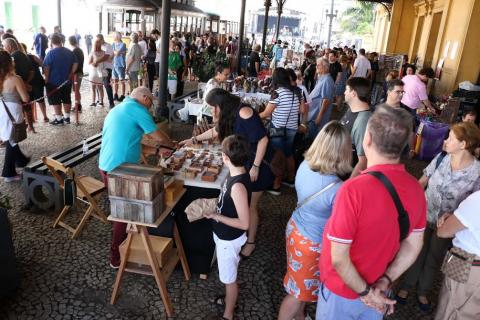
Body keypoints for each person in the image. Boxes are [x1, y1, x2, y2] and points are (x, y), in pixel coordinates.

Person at [317, 105, 427, 320]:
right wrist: (385, 281)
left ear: (367, 139)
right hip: (380, 290)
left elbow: (339, 258)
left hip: (343, 291)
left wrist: (366, 294)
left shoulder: (353, 190)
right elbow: (414, 245)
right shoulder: (416, 188)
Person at [179, 88, 274, 259]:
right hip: (242, 163)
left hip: (256, 165)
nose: (211, 111)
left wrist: (256, 166)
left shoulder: (244, 112)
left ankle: (250, 242)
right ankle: (238, 231)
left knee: (251, 206)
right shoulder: (228, 113)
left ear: (220, 105)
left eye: (212, 107)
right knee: (242, 202)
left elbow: (263, 139)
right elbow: (216, 131)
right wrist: (193, 140)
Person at [396, 122, 480, 312]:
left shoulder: (477, 172)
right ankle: (406, 286)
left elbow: (474, 204)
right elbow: (423, 180)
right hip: (424, 215)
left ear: (463, 144)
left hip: (448, 225)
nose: (445, 141)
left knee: (435, 257)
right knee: (415, 250)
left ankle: (423, 291)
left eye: (450, 138)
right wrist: (411, 202)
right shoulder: (441, 157)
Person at [278, 121, 352, 320]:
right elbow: (340, 223)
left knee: (299, 286)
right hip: (312, 243)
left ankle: (300, 316)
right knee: (296, 294)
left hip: (295, 229)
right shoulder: (336, 188)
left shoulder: (304, 165)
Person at [98, 87, 174, 268]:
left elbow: (132, 143)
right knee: (124, 214)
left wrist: (156, 151)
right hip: (117, 169)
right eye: (151, 103)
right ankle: (116, 257)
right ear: (145, 99)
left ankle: (136, 246)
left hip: (108, 166)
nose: (150, 107)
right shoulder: (137, 110)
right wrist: (172, 146)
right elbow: (158, 136)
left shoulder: (121, 107)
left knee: (128, 210)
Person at [203, 135, 251, 320]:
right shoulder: (236, 173)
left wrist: (216, 216)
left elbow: (244, 223)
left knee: (229, 280)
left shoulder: (237, 186)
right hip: (225, 236)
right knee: (229, 271)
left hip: (229, 239)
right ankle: (230, 301)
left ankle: (228, 313)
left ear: (225, 158)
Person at [435, 190, 480, 320]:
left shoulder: (477, 199)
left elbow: (443, 232)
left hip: (468, 267)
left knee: (451, 311)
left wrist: (451, 218)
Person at [260, 67, 305, 194]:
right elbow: (301, 111)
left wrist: (253, 115)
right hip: (292, 128)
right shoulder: (297, 92)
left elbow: (267, 113)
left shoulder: (278, 93)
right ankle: (291, 179)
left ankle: (276, 185)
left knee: (277, 157)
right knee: (289, 154)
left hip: (278, 129)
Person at [0, 50, 31, 182]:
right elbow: (25, 98)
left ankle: (21, 160)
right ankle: (8, 173)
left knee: (10, 136)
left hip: (2, 110)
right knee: (12, 139)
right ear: (9, 63)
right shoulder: (15, 78)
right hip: (12, 111)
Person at [340, 77, 372, 177]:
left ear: (353, 93)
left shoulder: (362, 121)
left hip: (345, 174)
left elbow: (363, 160)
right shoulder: (352, 109)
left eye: (347, 89)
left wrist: (347, 186)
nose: (344, 92)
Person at [43, 33, 77, 125]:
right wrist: (71, 73)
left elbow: (46, 67)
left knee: (55, 100)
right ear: (61, 41)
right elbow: (75, 63)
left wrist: (46, 78)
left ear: (52, 42)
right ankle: (67, 118)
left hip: (53, 81)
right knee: (66, 98)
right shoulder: (69, 52)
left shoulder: (50, 53)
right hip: (67, 81)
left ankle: (59, 119)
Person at [2, 38, 35, 131]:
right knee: (27, 107)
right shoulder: (24, 55)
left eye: (4, 46)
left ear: (9, 46)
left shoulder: (12, 57)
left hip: (14, 88)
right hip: (21, 85)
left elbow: (13, 74)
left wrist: (22, 83)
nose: (4, 48)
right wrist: (26, 83)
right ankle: (30, 126)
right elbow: (32, 71)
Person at [306, 58, 335, 141]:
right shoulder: (322, 78)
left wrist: (319, 117)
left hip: (317, 118)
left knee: (314, 140)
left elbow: (326, 101)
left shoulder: (327, 80)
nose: (316, 67)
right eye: (316, 65)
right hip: (312, 115)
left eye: (318, 65)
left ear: (325, 67)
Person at [96, 34, 115, 108]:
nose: (98, 42)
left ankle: (111, 102)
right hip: (99, 68)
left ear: (102, 39)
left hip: (107, 68)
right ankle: (100, 101)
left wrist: (96, 61)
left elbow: (106, 57)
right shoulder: (98, 46)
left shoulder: (108, 46)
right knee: (98, 84)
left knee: (107, 85)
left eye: (99, 40)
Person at [88, 39, 106, 107]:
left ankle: (97, 102)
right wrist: (94, 63)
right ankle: (97, 102)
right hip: (96, 71)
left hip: (97, 72)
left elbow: (89, 62)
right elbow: (89, 62)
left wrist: (94, 63)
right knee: (96, 87)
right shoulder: (96, 52)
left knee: (97, 87)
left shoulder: (102, 52)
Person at [68, 36, 84, 113]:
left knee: (76, 90)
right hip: (79, 72)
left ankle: (78, 106)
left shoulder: (75, 51)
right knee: (76, 90)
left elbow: (75, 63)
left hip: (76, 73)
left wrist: (72, 72)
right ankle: (78, 105)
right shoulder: (79, 50)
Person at [112, 32, 127, 102]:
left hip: (121, 65)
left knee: (122, 80)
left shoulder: (123, 44)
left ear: (117, 37)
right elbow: (112, 53)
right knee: (115, 80)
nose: (113, 37)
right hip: (114, 64)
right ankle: (115, 94)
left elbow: (117, 53)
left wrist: (117, 52)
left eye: (114, 36)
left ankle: (123, 95)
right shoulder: (113, 44)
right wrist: (117, 52)